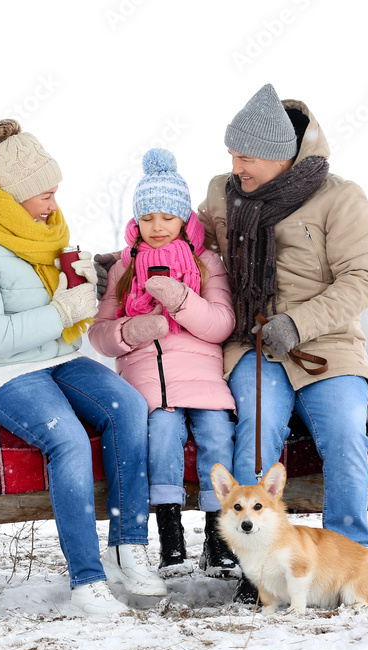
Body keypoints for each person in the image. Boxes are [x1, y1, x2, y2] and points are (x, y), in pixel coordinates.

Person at [0, 119, 166, 617]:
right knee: (68, 438)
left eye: (55, 193)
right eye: (44, 195)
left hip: (54, 357)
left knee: (128, 406)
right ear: (12, 197)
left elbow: (63, 306)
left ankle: (128, 546)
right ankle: (87, 582)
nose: (54, 205)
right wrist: (62, 311)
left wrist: (85, 285)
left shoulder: (39, 231)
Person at [196, 84, 368, 602]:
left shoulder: (341, 197)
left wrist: (299, 323)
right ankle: (253, 568)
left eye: (246, 156)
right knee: (257, 427)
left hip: (328, 346)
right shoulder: (222, 193)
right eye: (231, 155)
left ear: (281, 156)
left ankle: (349, 559)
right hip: (253, 346)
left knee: (346, 435)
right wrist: (126, 270)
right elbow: (186, 250)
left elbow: (362, 279)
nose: (236, 167)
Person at [88, 149, 240, 580]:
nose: (157, 227)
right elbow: (100, 334)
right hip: (152, 386)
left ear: (184, 219)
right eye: (148, 217)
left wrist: (181, 299)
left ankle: (218, 542)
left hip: (205, 381)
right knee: (163, 439)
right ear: (137, 220)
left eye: (167, 217)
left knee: (217, 440)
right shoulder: (124, 266)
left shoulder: (205, 263)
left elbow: (221, 323)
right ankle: (171, 542)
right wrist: (129, 332)